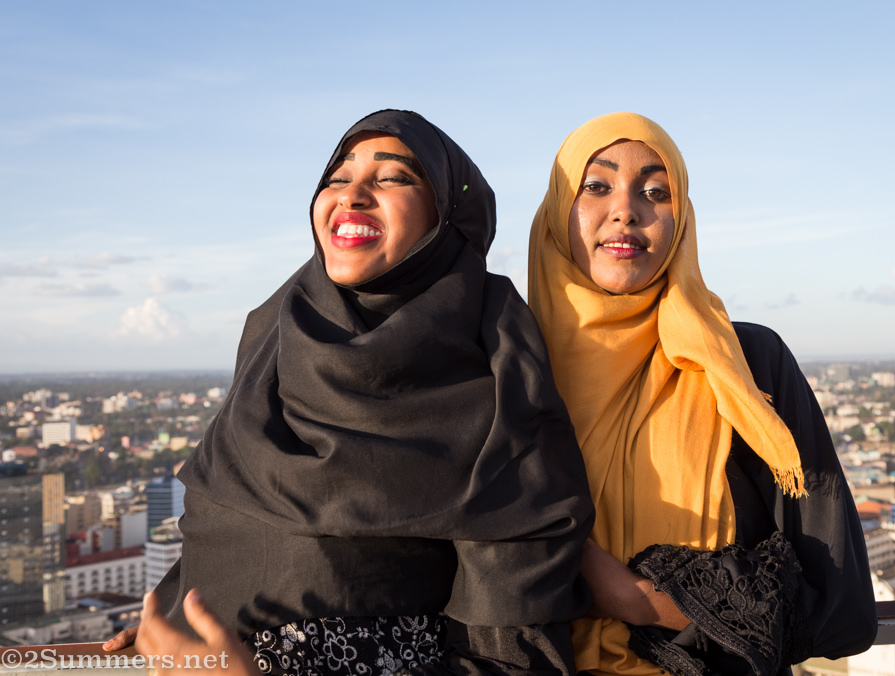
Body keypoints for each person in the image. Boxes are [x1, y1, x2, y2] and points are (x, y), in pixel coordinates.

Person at [107, 109, 594, 676]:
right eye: (337, 178)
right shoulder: (275, 333)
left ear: (447, 217)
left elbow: (514, 660)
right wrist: (172, 613)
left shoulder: (494, 367)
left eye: (393, 177)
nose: (353, 194)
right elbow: (226, 510)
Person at [527, 112, 877, 676]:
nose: (626, 209)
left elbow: (840, 607)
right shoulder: (506, 372)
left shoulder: (746, 365)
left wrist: (634, 600)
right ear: (554, 212)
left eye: (656, 192)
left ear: (681, 222)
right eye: (596, 186)